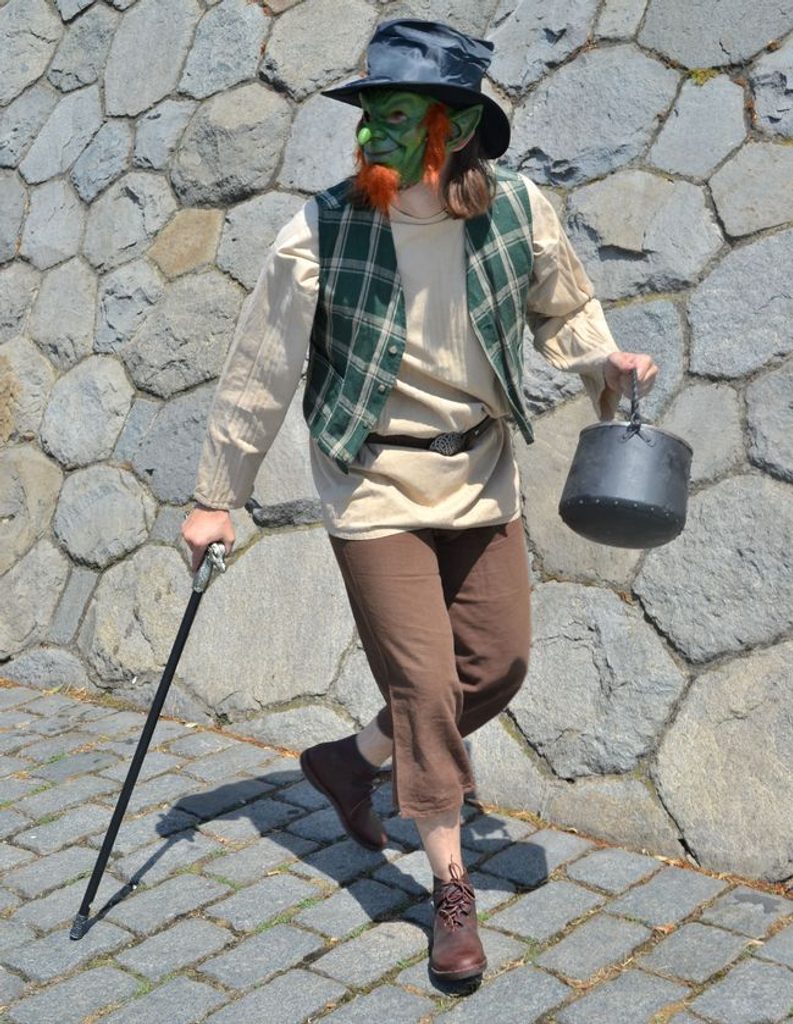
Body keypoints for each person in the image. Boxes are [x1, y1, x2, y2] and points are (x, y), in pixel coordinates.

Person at [182, 19, 658, 983]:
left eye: (394, 116)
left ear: (456, 127)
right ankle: (448, 890)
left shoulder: (515, 211)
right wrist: (214, 497)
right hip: (371, 478)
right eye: (366, 115)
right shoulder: (320, 228)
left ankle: (352, 761)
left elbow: (564, 309)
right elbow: (259, 369)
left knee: (498, 664)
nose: (369, 135)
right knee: (427, 689)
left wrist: (604, 364)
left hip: (478, 470)